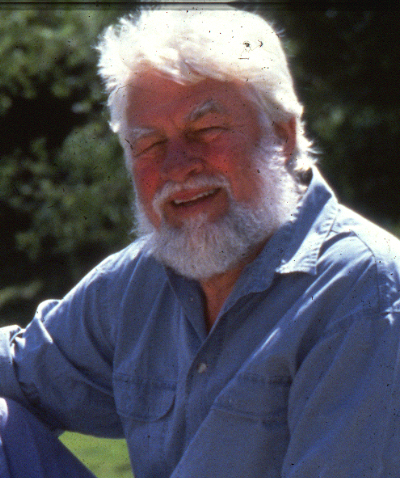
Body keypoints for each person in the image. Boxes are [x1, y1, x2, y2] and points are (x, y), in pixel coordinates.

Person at [1, 6, 400, 478]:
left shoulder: (365, 293)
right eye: (149, 144)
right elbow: (22, 369)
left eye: (205, 131)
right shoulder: (140, 281)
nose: (177, 165)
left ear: (283, 135)